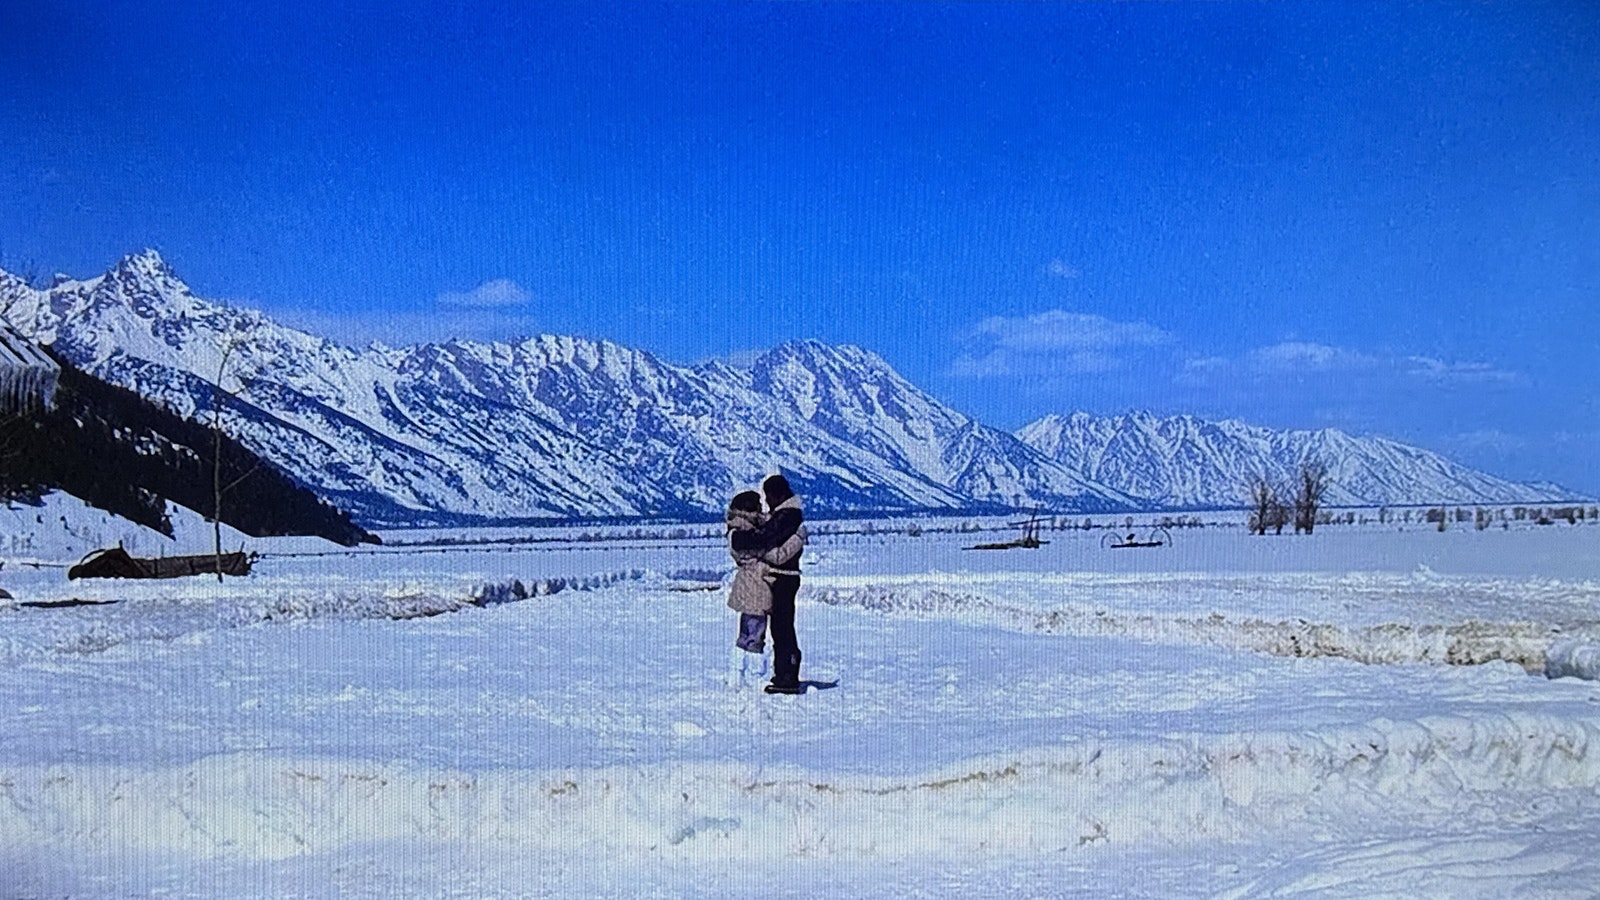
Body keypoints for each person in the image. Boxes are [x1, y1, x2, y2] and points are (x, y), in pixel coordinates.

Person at [725, 490, 806, 688]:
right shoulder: (748, 536)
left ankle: (736, 676)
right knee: (754, 636)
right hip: (757, 588)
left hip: (747, 587)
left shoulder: (737, 530)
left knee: (745, 635)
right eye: (758, 507)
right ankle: (754, 678)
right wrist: (798, 538)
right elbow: (778, 556)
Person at [744, 474, 806, 694]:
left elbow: (766, 538)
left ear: (778, 495)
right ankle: (785, 672)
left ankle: (787, 676)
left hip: (784, 576)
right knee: (782, 626)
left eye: (769, 496)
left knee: (782, 627)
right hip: (786, 575)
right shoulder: (787, 514)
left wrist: (744, 541)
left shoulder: (787, 516)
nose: (767, 501)